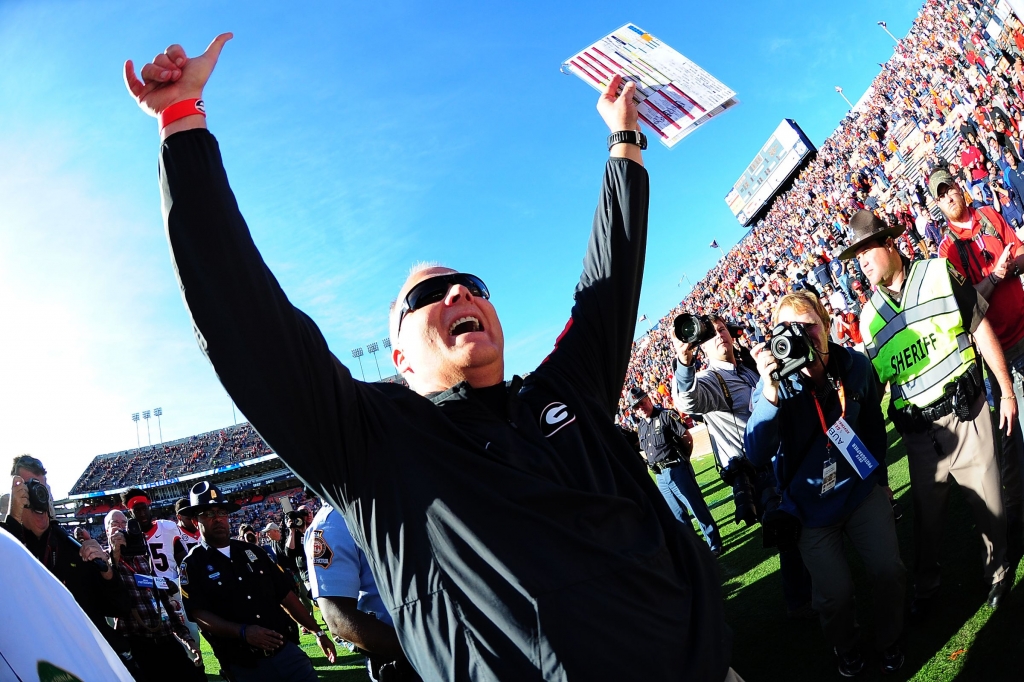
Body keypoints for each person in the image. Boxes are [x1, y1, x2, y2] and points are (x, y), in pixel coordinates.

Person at [125, 36, 734, 681]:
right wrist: (181, 123)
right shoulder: (373, 445)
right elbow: (243, 318)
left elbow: (609, 286)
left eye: (473, 284)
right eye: (427, 295)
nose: (460, 291)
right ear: (400, 360)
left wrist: (625, 144)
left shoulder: (566, 393)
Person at [841, 209, 1014, 612]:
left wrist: (1005, 391)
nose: (862, 262)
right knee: (927, 521)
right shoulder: (867, 320)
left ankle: (998, 573)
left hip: (967, 415)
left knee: (991, 507)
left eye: (867, 250)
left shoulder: (938, 273)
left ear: (889, 243)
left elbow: (979, 327)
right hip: (920, 438)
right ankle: (927, 584)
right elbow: (875, 390)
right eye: (856, 257)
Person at [745, 291, 906, 677]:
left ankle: (891, 639)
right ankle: (846, 646)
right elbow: (755, 451)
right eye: (789, 328)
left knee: (889, 570)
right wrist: (768, 392)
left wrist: (880, 478)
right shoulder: (776, 384)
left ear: (827, 323)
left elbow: (870, 426)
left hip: (859, 490)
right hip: (809, 508)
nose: (801, 334)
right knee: (834, 595)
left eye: (808, 325)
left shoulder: (853, 364)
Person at [671, 315, 813, 618]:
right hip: (755, 473)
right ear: (703, 349)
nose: (719, 335)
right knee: (787, 533)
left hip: (779, 461)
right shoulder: (711, 379)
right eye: (711, 335)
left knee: (801, 522)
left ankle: (813, 583)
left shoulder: (748, 370)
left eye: (722, 329)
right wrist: (684, 364)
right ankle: (800, 601)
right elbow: (687, 401)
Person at [930, 167, 1024, 570]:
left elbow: (1019, 252)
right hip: (998, 353)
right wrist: (995, 276)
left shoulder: (989, 215)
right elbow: (965, 309)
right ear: (937, 205)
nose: (949, 195)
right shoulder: (948, 252)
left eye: (950, 187)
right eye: (940, 194)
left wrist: (1013, 264)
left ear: (960, 187)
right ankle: (1015, 519)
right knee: (1011, 437)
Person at [178, 481, 336, 681]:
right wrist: (243, 632)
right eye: (208, 514)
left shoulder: (252, 552)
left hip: (286, 652)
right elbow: (199, 614)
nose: (217, 519)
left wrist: (317, 632)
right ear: (195, 521)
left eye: (222, 512)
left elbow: (286, 596)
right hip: (245, 663)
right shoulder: (192, 564)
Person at [3, 456, 129, 657]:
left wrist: (106, 571)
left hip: (90, 657)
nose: (38, 496)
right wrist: (12, 521)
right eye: (29, 489)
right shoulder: (6, 541)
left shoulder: (70, 547)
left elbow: (121, 607)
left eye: (41, 489)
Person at [0, 526, 135, 682]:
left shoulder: (74, 550)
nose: (40, 507)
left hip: (99, 662)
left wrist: (106, 570)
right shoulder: (9, 553)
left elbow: (121, 606)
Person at [306, 504, 420, 681]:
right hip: (406, 655)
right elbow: (337, 618)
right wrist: (421, 652)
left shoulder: (394, 496)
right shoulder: (333, 522)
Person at [106, 509, 205, 681]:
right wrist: (114, 555)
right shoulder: (102, 562)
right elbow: (108, 592)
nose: (121, 528)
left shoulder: (143, 559)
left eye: (124, 523)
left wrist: (186, 638)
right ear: (106, 531)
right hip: (138, 644)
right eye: (115, 524)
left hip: (165, 637)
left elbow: (163, 601)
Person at [629, 387, 722, 556]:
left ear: (649, 399)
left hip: (677, 469)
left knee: (696, 508)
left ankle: (714, 544)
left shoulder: (666, 415)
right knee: (678, 516)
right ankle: (694, 550)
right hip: (660, 476)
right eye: (636, 407)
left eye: (642, 402)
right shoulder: (641, 426)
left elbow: (687, 438)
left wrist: (683, 460)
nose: (641, 407)